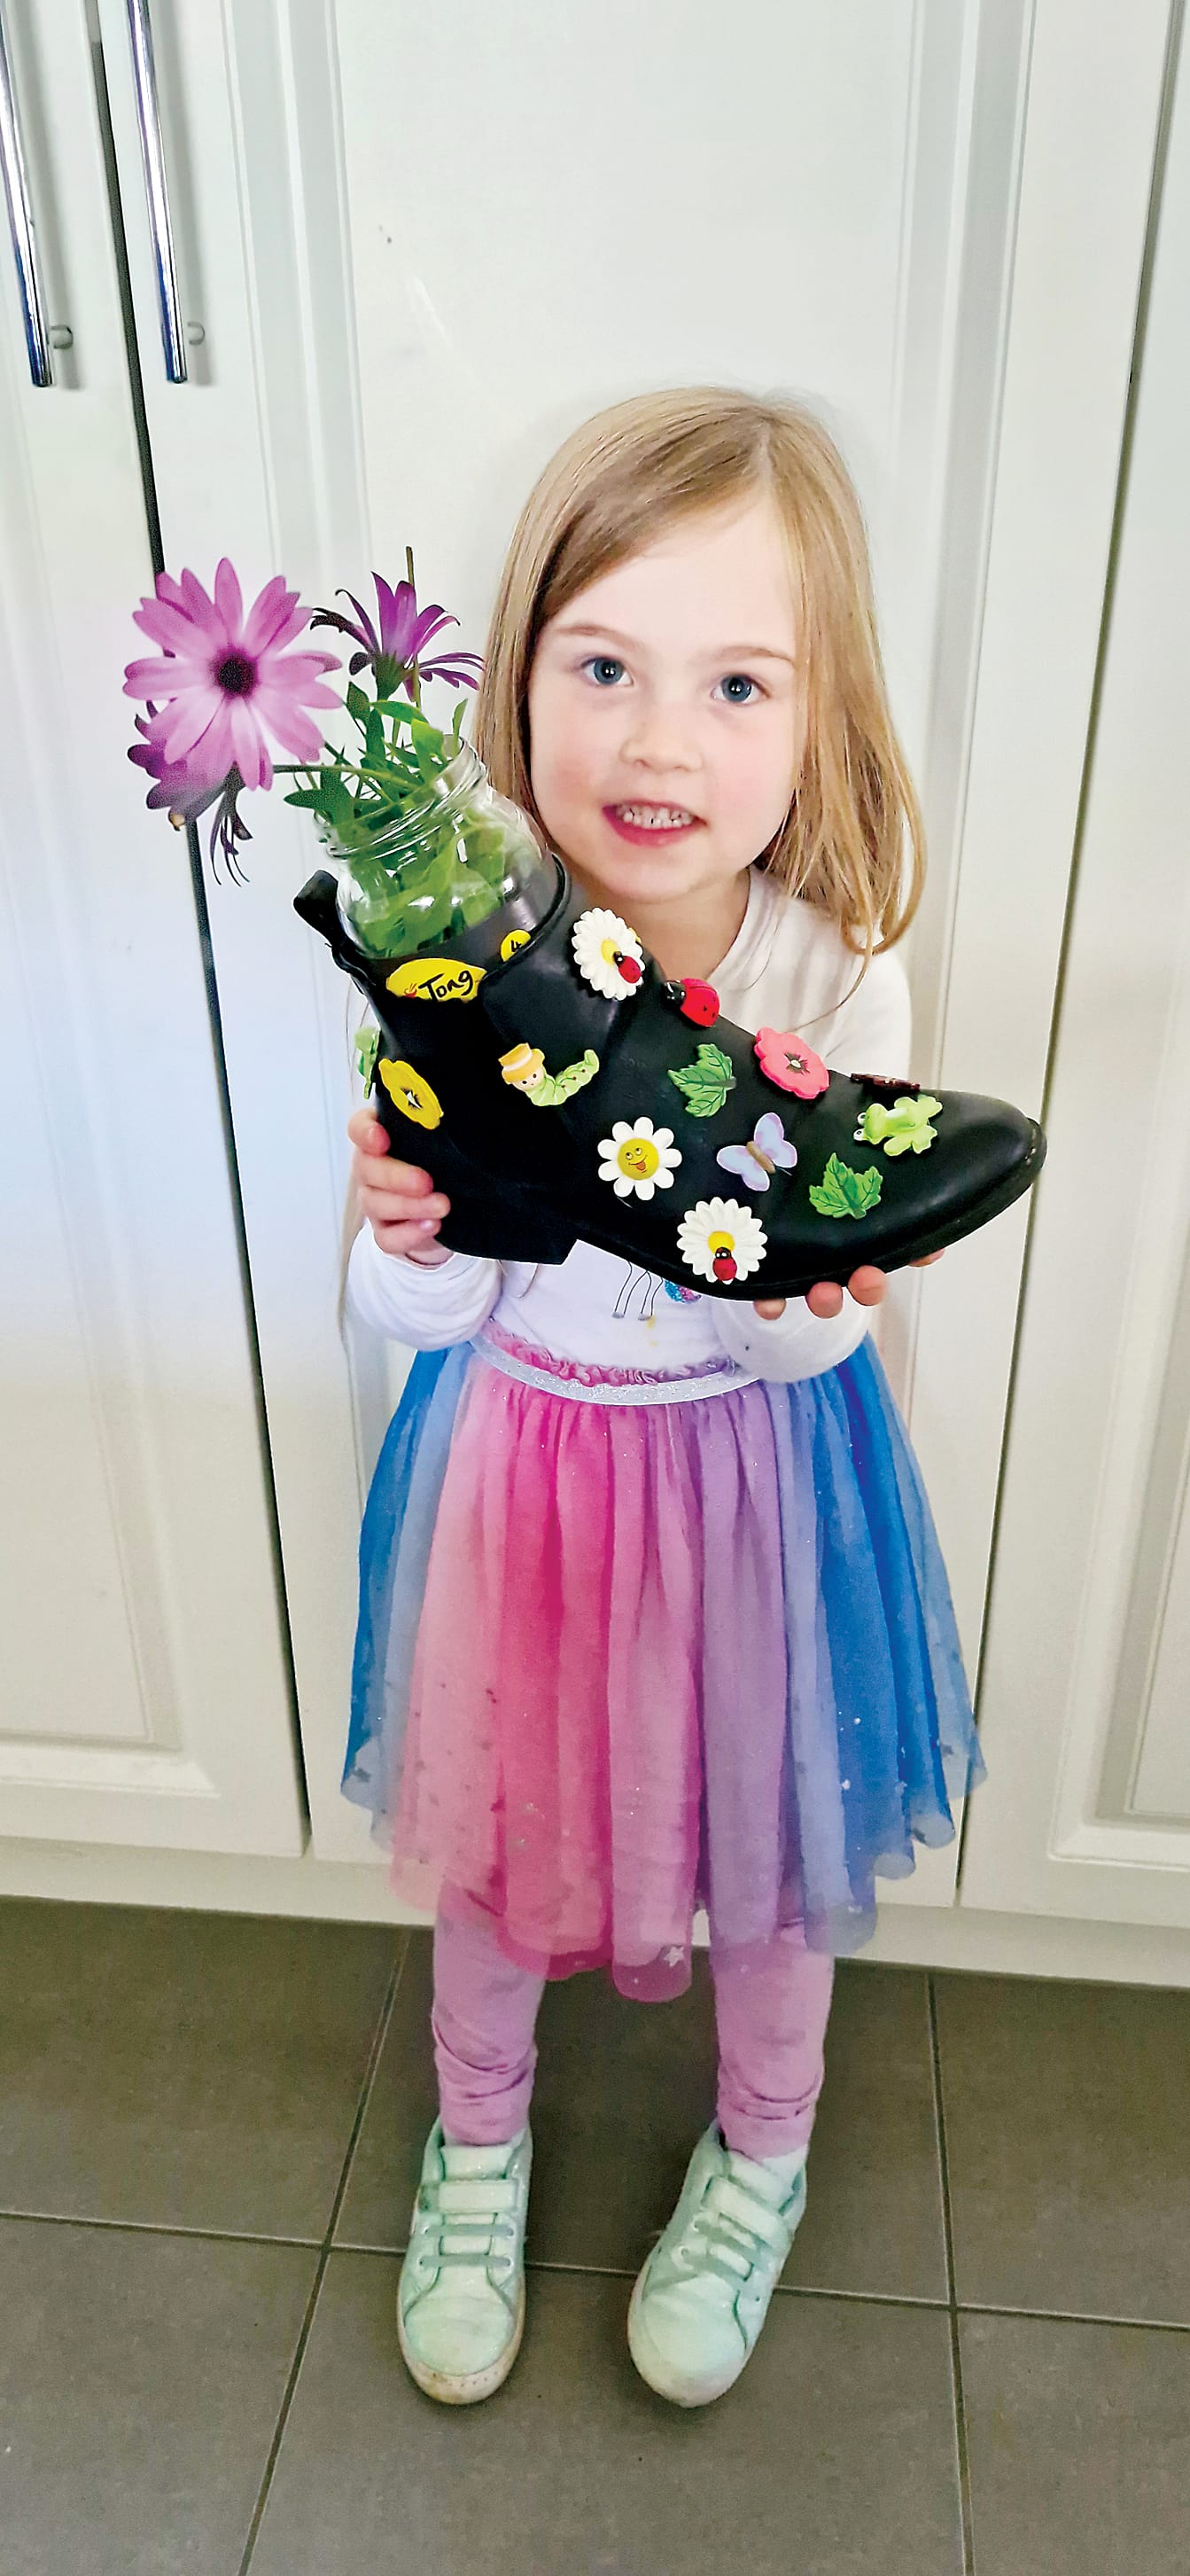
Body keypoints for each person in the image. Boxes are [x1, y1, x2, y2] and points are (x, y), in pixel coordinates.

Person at [340, 387, 984, 2410]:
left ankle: (763, 2151)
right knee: (493, 1839)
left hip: (757, 1495)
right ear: (519, 678)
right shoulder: (463, 954)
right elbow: (404, 1308)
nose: (657, 742)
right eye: (603, 666)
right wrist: (409, 1230)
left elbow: (816, 1332)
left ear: (817, 721)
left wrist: (771, 1258)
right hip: (522, 1483)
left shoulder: (832, 983)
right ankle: (475, 2139)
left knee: (772, 1850)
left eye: (735, 683)